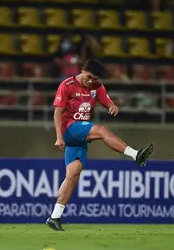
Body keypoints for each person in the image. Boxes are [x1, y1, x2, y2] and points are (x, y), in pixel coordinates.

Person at [46, 59, 154, 231]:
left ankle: (55, 216)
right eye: (89, 77)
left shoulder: (97, 87)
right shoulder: (66, 85)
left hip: (80, 136)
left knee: (73, 174)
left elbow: (108, 102)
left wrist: (112, 107)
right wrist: (59, 137)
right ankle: (135, 154)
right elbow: (57, 113)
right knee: (102, 130)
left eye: (94, 79)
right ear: (82, 70)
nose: (90, 81)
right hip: (69, 129)